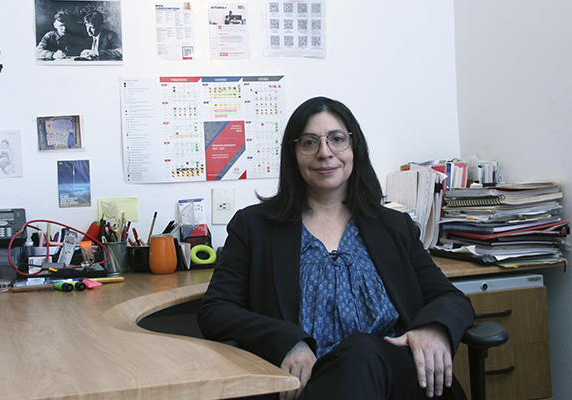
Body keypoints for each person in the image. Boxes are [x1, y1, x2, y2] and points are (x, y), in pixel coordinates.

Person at [197, 96, 475, 400]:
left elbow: (449, 297)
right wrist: (288, 341)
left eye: (337, 139)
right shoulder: (254, 227)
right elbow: (216, 310)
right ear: (293, 155)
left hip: (398, 381)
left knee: (361, 351)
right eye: (309, 143)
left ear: (355, 148)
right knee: (355, 358)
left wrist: (434, 328)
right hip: (311, 386)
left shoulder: (394, 226)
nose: (325, 153)